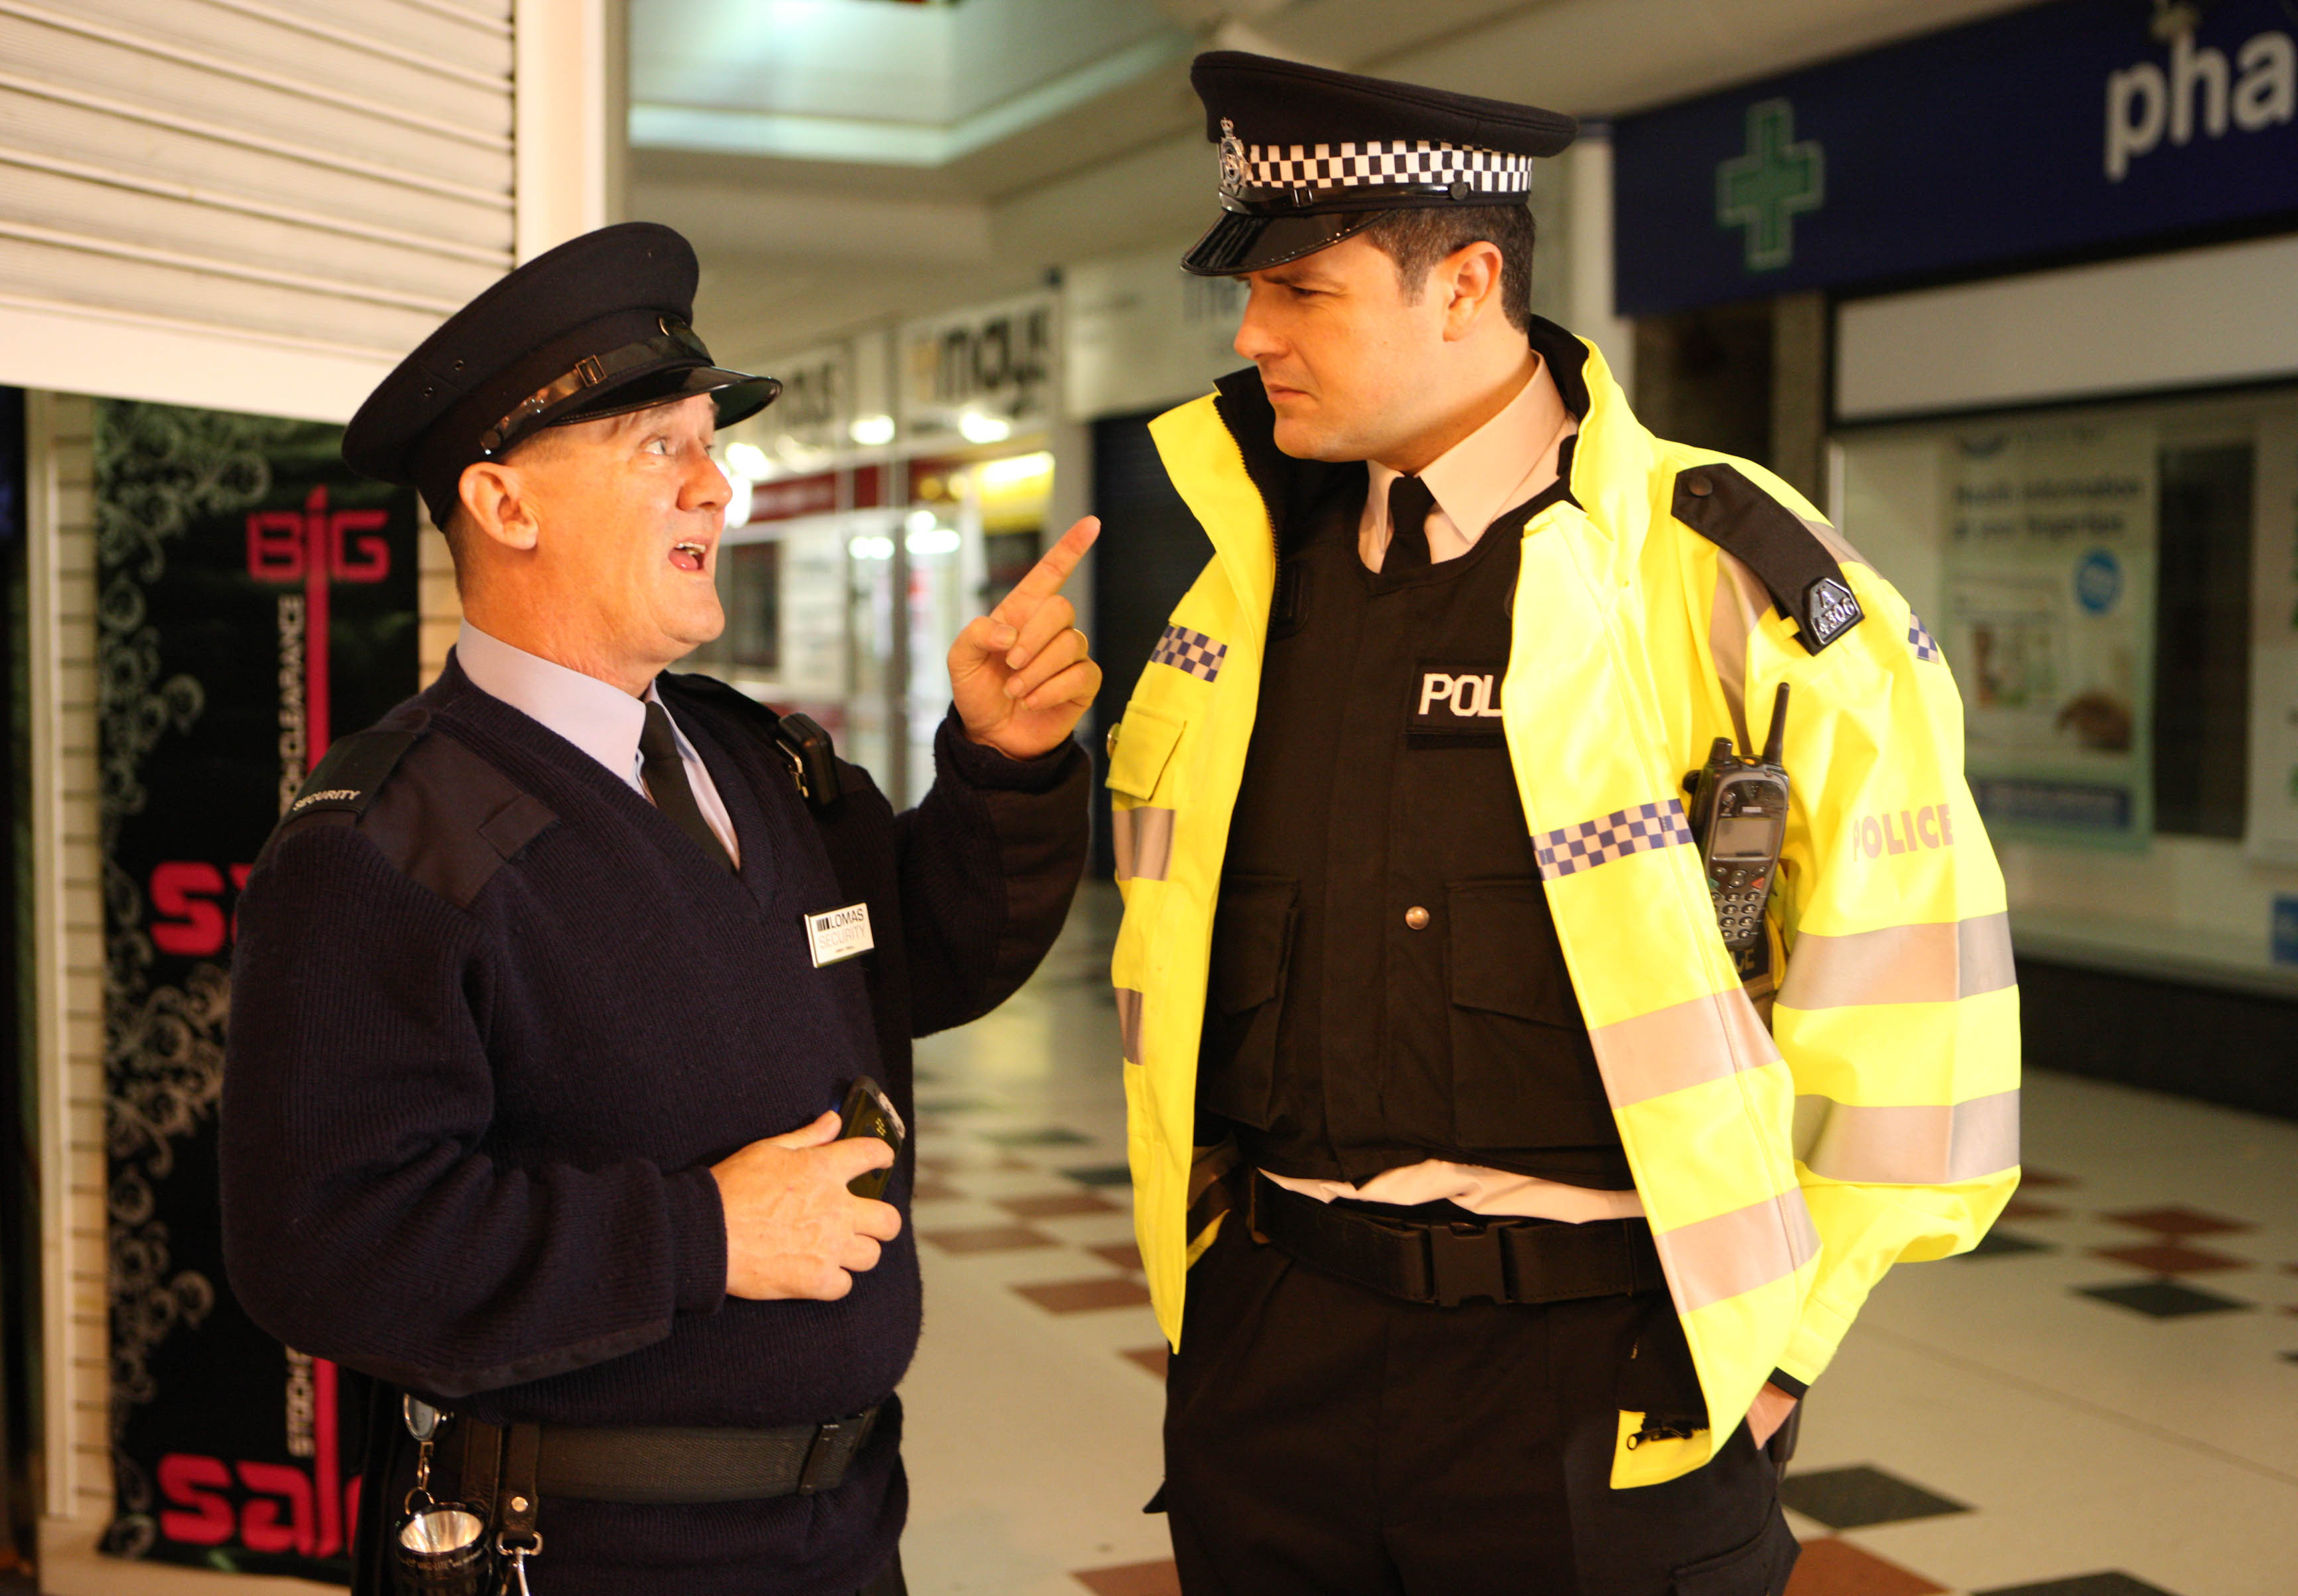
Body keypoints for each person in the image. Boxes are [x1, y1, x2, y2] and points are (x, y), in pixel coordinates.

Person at [1105, 52, 2019, 1595]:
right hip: (1274, 1357)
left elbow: (1921, 1003)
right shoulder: (1249, 585)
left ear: (1465, 285)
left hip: (1603, 1377)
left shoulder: (1729, 583)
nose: (1251, 334)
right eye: (1250, 293)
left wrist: (1779, 1354)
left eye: (1301, 289)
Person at [219, 222, 1099, 1596]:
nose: (721, 489)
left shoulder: (763, 761)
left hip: (844, 1531)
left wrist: (1009, 765)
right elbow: (325, 1245)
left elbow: (923, 958)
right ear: (505, 506)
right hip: (575, 1553)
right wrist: (706, 1238)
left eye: (712, 442)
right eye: (658, 449)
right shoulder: (384, 845)